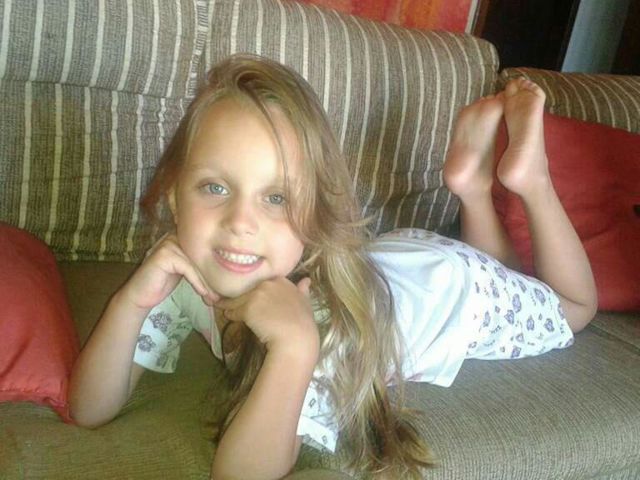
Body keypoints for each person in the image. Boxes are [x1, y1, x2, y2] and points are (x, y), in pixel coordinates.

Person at [68, 54, 597, 480]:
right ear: (174, 196)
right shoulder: (186, 275)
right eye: (215, 187)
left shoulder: (322, 324)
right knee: (503, 269)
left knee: (576, 307)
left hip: (458, 292)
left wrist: (295, 347)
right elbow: (88, 408)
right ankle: (470, 186)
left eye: (276, 197)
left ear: (315, 217)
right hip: (399, 259)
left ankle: (531, 180)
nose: (240, 223)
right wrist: (130, 301)